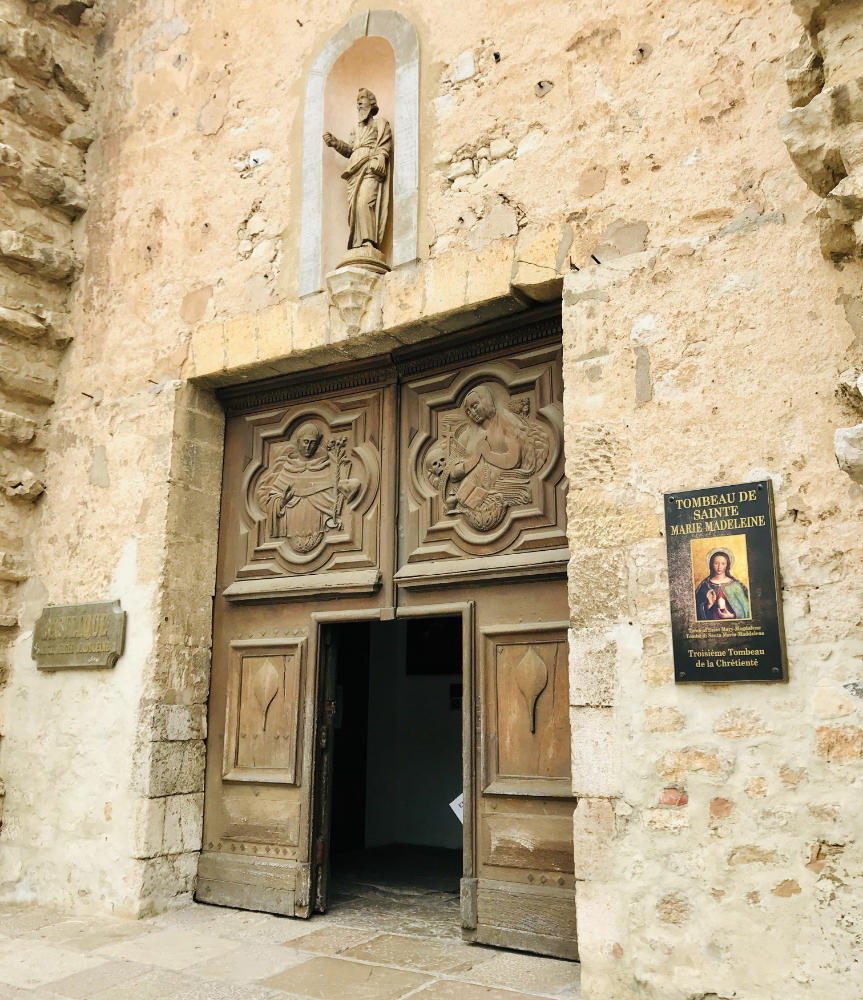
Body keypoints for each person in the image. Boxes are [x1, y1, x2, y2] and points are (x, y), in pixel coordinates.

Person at [323, 88, 392, 252]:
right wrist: (335, 143)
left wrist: (380, 157)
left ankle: (369, 241)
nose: (359, 102)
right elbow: (350, 150)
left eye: (362, 98)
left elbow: (384, 144)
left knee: (364, 202)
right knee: (354, 207)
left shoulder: (380, 123)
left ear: (371, 102)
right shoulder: (356, 129)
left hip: (369, 167)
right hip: (353, 171)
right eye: (357, 100)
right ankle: (357, 243)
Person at [695, 549, 751, 621]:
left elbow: (747, 609)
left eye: (723, 563)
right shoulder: (705, 586)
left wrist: (732, 616)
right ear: (711, 564)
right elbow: (695, 611)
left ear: (727, 565)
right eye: (716, 563)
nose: (719, 567)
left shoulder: (735, 585)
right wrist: (708, 605)